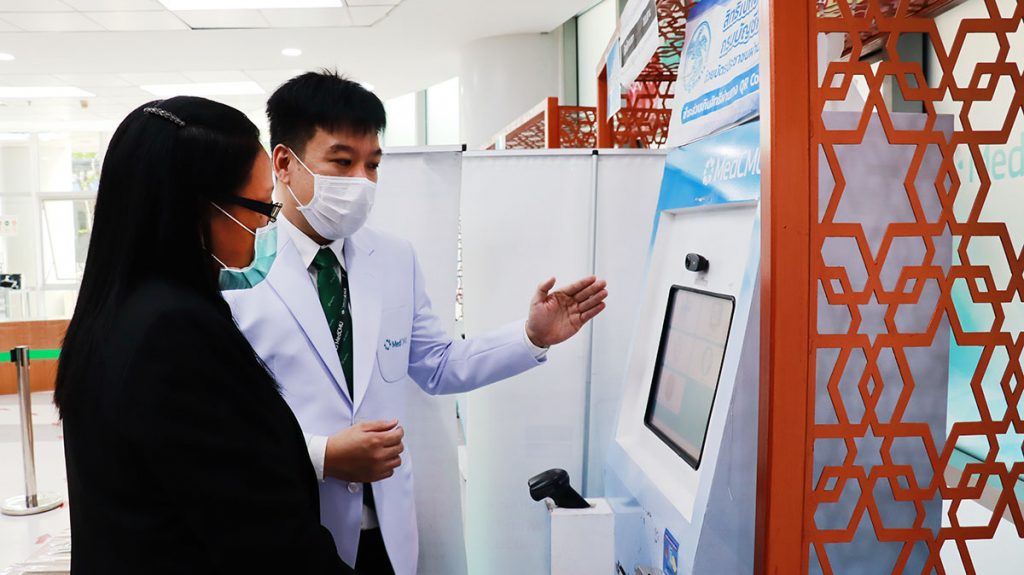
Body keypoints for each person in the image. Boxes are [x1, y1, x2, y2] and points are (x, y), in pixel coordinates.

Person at [224, 70, 609, 575]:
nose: (361, 181)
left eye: (373, 165)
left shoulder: (393, 258)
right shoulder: (237, 271)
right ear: (284, 163)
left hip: (386, 532)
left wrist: (530, 336)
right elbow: (226, 426)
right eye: (342, 162)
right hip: (290, 526)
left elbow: (438, 365)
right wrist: (320, 454)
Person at [54, 96, 351, 575]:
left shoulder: (114, 314)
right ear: (194, 208)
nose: (264, 224)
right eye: (260, 206)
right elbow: (259, 533)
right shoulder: (174, 333)